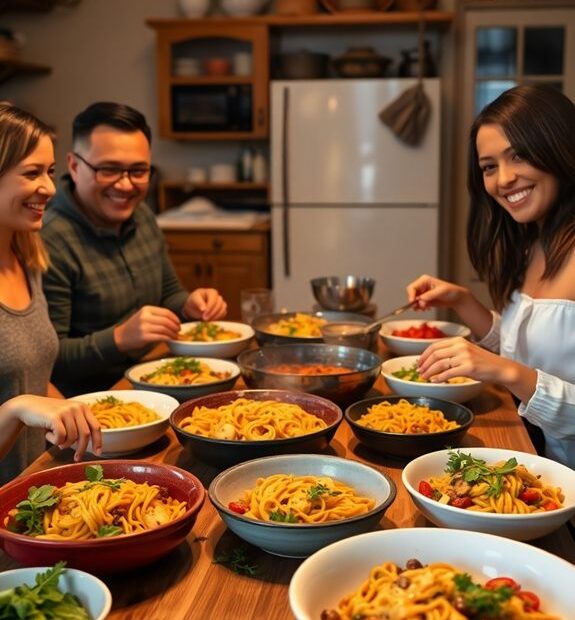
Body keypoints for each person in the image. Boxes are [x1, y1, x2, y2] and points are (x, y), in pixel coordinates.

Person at [406, 84, 575, 469]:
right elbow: (530, 350)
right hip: (537, 462)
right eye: (489, 167)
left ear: (561, 148)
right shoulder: (536, 243)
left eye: (520, 156)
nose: (504, 180)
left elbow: (517, 369)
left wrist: (503, 370)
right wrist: (463, 302)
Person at [41, 102, 228, 397]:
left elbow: (168, 294)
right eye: (109, 169)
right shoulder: (48, 238)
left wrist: (190, 302)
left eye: (138, 170)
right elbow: (47, 362)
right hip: (93, 409)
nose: (126, 185)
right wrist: (119, 338)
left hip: (158, 379)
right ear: (75, 166)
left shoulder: (141, 216)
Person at [0, 103, 101, 483]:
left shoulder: (27, 257)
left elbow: (30, 379)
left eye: (50, 172)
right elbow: (21, 399)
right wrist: (16, 409)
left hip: (35, 490)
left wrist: (78, 414)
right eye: (31, 173)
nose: (49, 188)